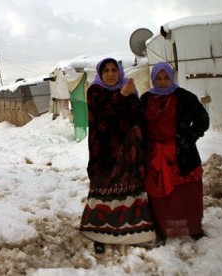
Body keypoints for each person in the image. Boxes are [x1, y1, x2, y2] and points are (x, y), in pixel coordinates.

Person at [79, 58, 156, 253]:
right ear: (100, 73)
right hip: (104, 153)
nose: (111, 74)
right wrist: (123, 94)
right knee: (103, 190)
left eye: (114, 70)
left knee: (130, 190)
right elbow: (105, 113)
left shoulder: (129, 90)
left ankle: (135, 233)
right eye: (107, 71)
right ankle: (98, 233)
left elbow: (137, 114)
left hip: (128, 152)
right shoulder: (95, 91)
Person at [140, 62, 209, 243]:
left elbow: (203, 119)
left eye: (166, 77)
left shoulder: (185, 97)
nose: (162, 81)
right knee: (159, 195)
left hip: (182, 154)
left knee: (186, 193)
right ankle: (161, 229)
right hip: (155, 154)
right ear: (153, 79)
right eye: (158, 78)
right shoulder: (146, 99)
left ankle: (193, 228)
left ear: (172, 78)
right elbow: (137, 123)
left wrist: (189, 138)